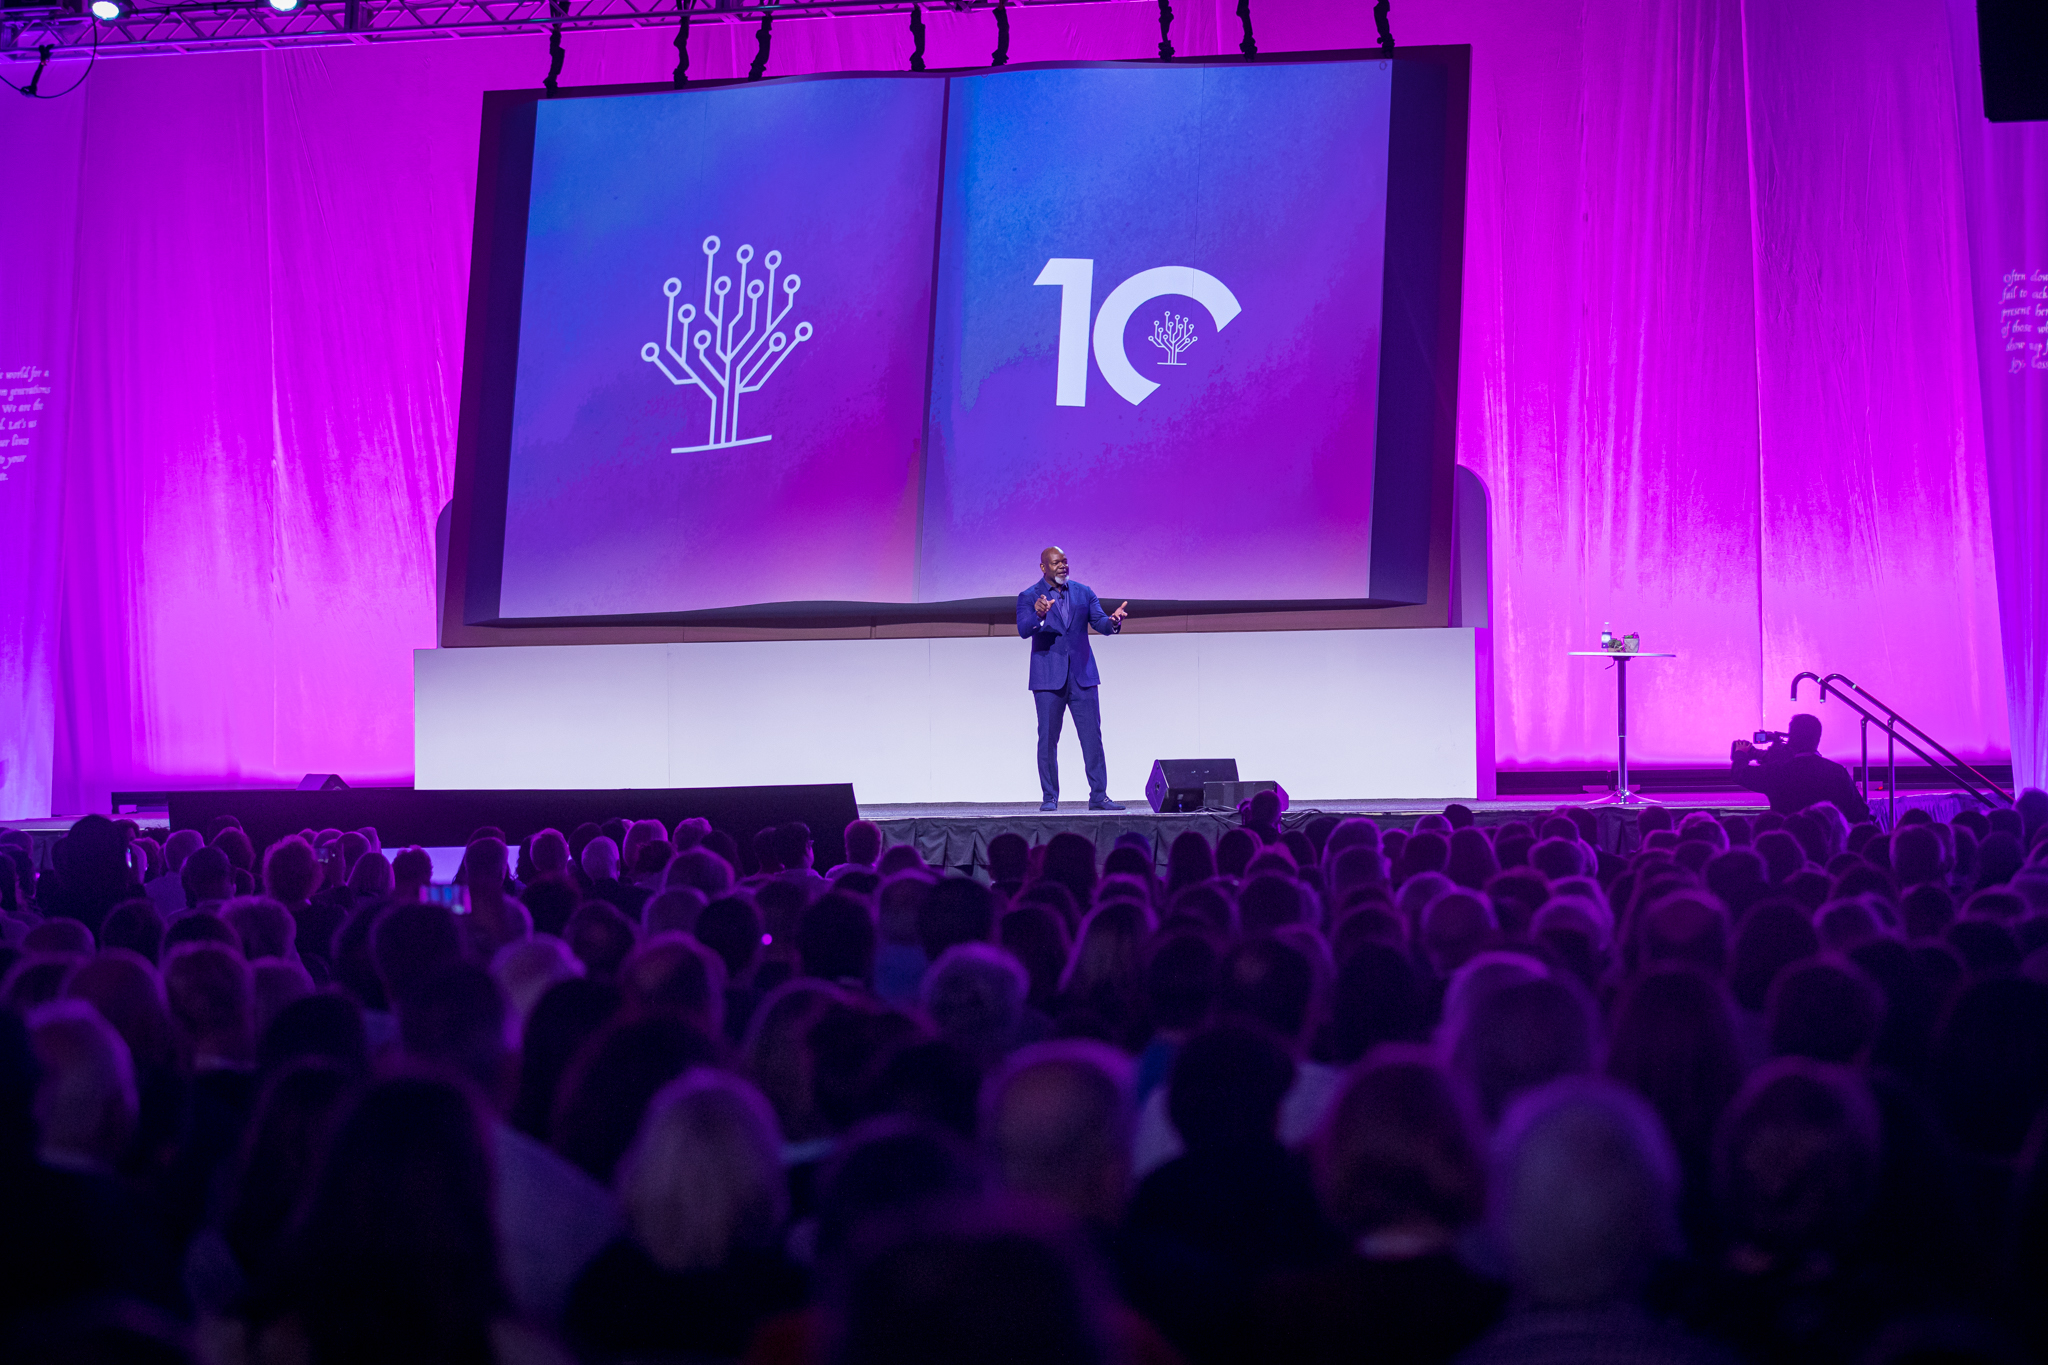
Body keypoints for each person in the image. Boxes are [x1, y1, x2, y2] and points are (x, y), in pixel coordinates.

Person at [1017, 545, 1128, 812]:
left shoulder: (1083, 592)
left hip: (1082, 676)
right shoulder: (1028, 595)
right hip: (1048, 678)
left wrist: (1112, 622)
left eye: (1065, 561)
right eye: (1056, 563)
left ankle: (1099, 796)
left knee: (1092, 737)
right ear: (1044, 567)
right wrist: (1039, 615)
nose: (1063, 566)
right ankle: (1050, 797)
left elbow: (1099, 622)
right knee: (1047, 739)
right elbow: (1023, 629)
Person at [1732, 713, 1871, 822]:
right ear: (1818, 738)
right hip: (1829, 845)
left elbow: (1740, 773)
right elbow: (1859, 813)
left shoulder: (1778, 772)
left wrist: (1741, 754)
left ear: (1791, 739)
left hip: (1787, 846)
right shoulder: (1837, 772)